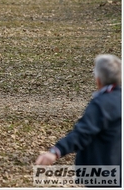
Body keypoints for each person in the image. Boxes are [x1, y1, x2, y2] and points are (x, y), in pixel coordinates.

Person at [35, 54, 121, 187]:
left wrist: (56, 151)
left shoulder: (101, 104)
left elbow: (84, 132)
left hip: (103, 170)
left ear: (98, 79)